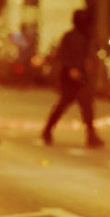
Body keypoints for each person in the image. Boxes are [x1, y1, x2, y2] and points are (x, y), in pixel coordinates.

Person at [42, 8, 104, 148]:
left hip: (82, 76)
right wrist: (72, 69)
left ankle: (91, 135)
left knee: (86, 105)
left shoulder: (87, 36)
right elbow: (63, 55)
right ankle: (47, 130)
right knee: (63, 104)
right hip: (70, 76)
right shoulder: (70, 36)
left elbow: (89, 55)